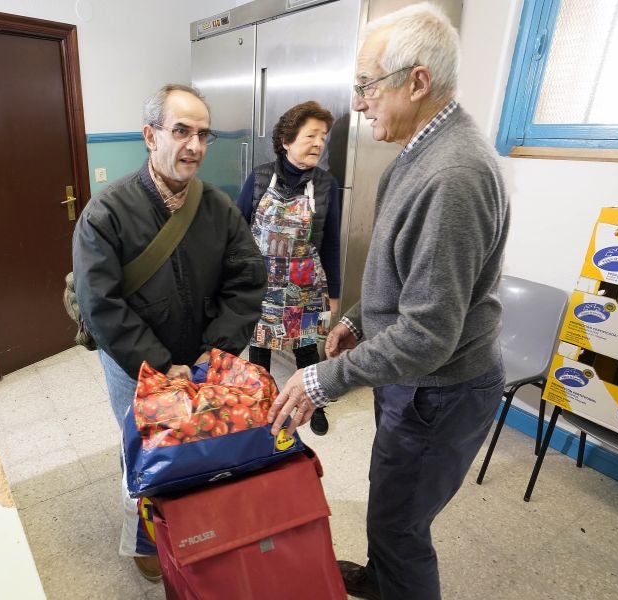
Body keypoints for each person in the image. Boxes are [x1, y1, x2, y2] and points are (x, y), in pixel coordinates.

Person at [267, 4, 510, 600]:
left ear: (418, 81)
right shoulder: (418, 150)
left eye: (367, 86)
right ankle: (382, 582)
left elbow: (429, 334)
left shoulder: (453, 173)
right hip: (413, 380)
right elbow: (402, 271)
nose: (359, 104)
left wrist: (326, 380)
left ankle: (393, 575)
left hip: (441, 387)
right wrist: (357, 317)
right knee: (389, 502)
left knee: (400, 527)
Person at [72, 84, 267, 583]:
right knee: (145, 448)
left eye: (204, 134)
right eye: (181, 131)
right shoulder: (105, 214)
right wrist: (162, 365)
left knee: (203, 443)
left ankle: (199, 529)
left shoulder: (219, 208)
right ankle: (146, 538)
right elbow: (102, 305)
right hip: (136, 362)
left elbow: (246, 280)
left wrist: (212, 354)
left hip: (203, 357)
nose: (195, 146)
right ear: (149, 135)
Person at [236, 101, 341, 436]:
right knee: (260, 348)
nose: (318, 143)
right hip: (262, 285)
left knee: (307, 347)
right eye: (311, 135)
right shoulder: (260, 178)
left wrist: (335, 294)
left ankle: (314, 405)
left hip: (304, 287)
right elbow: (237, 233)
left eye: (322, 137)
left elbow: (332, 245)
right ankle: (259, 404)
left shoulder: (326, 186)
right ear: (286, 140)